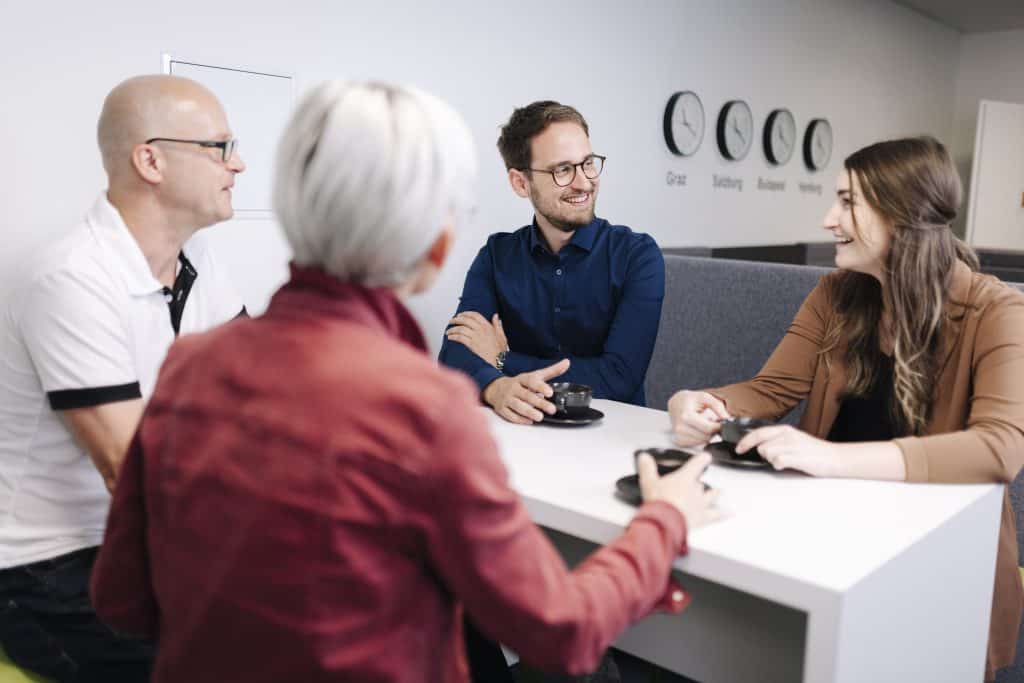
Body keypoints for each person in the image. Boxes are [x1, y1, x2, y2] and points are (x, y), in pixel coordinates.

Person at [88, 81, 718, 683]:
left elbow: (123, 599)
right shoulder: (423, 408)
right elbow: (562, 631)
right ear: (439, 243)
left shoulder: (189, 366)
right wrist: (664, 519)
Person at [667, 136, 1024, 682]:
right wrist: (698, 401)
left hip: (938, 563)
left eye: (848, 202)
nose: (828, 219)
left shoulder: (997, 311)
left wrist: (831, 458)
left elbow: (1000, 449)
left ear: (902, 214)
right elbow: (771, 389)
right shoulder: (836, 294)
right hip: (833, 537)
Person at [0, 74, 246, 681]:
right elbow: (133, 472)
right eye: (219, 147)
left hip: (129, 541)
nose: (237, 165)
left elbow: (262, 396)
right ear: (150, 161)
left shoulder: (197, 261)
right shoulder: (71, 277)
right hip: (40, 566)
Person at [438, 100, 664, 424]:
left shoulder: (637, 256)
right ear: (521, 183)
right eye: (563, 170)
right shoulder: (496, 256)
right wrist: (495, 388)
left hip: (612, 434)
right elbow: (454, 354)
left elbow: (618, 377)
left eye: (588, 163)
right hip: (521, 433)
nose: (583, 182)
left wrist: (501, 360)